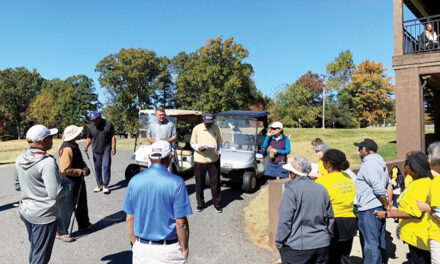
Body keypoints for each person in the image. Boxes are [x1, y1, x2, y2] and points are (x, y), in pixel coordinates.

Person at [122, 140, 192, 264]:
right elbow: (181, 223)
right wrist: (185, 248)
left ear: (150, 157)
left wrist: (135, 244)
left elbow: (130, 218)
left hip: (141, 247)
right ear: (170, 157)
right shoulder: (177, 182)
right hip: (168, 250)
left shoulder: (134, 181)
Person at [14, 124, 70, 264]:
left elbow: (17, 185)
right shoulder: (47, 163)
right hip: (44, 216)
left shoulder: (21, 157)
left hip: (27, 211)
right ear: (42, 141)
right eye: (50, 137)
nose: (52, 140)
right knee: (41, 256)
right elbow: (55, 193)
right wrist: (68, 185)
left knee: (36, 249)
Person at [276, 155, 334, 264]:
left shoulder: (291, 190)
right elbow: (330, 217)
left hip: (298, 248)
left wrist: (279, 242)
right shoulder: (321, 189)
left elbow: (285, 220)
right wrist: (327, 236)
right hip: (322, 245)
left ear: (293, 174)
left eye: (289, 172)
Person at [374, 152, 432, 264]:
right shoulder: (416, 182)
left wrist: (387, 214)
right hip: (414, 238)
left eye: (406, 163)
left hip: (419, 240)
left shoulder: (422, 185)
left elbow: (414, 213)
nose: (404, 166)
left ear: (412, 167)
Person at [354, 138, 393, 264]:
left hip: (369, 209)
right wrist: (387, 204)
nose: (358, 151)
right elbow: (388, 184)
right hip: (378, 207)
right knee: (379, 241)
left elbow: (377, 188)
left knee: (370, 244)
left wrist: (386, 204)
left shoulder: (369, 164)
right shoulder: (380, 162)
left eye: (360, 149)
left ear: (366, 151)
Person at [316, 149, 357, 264]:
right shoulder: (348, 177)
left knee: (329, 258)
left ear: (328, 164)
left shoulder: (322, 181)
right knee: (344, 257)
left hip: (333, 224)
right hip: (350, 222)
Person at [57, 125, 96, 242]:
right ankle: (61, 232)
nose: (81, 133)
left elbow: (78, 160)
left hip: (77, 179)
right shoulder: (67, 148)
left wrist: (84, 166)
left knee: (81, 203)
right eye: (79, 132)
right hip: (69, 181)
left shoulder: (74, 145)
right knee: (67, 207)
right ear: (73, 135)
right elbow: (64, 169)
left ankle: (84, 224)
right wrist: (81, 171)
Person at [190, 113, 223, 213]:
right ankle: (200, 203)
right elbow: (192, 143)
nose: (208, 125)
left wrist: (220, 151)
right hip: (200, 159)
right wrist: (198, 148)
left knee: (215, 183)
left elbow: (220, 142)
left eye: (210, 123)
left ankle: (217, 204)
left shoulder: (216, 128)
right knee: (199, 183)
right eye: (206, 123)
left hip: (214, 159)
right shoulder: (197, 128)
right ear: (203, 120)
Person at [417, 142, 440, 264]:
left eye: (429, 155)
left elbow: (439, 214)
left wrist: (426, 207)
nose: (427, 158)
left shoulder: (437, 183)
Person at [83, 111, 116, 194]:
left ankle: (105, 185)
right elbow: (89, 138)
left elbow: (113, 136)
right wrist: (86, 146)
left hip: (106, 148)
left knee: (106, 166)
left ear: (99, 117)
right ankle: (99, 185)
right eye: (92, 120)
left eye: (95, 119)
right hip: (95, 149)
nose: (93, 121)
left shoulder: (108, 124)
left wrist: (114, 147)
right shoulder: (90, 127)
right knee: (97, 168)